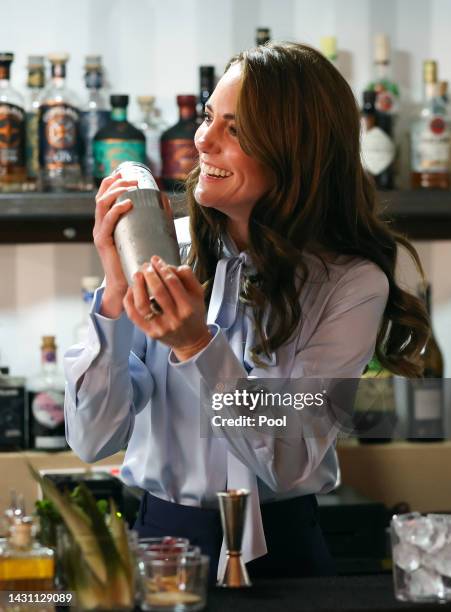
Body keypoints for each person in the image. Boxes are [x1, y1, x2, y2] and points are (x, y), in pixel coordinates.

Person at [64, 42, 429, 583]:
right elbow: (93, 439)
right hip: (159, 547)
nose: (202, 139)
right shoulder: (170, 247)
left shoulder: (350, 282)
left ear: (296, 151)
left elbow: (290, 456)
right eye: (209, 116)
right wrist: (115, 292)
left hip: (286, 557)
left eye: (234, 129)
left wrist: (194, 345)